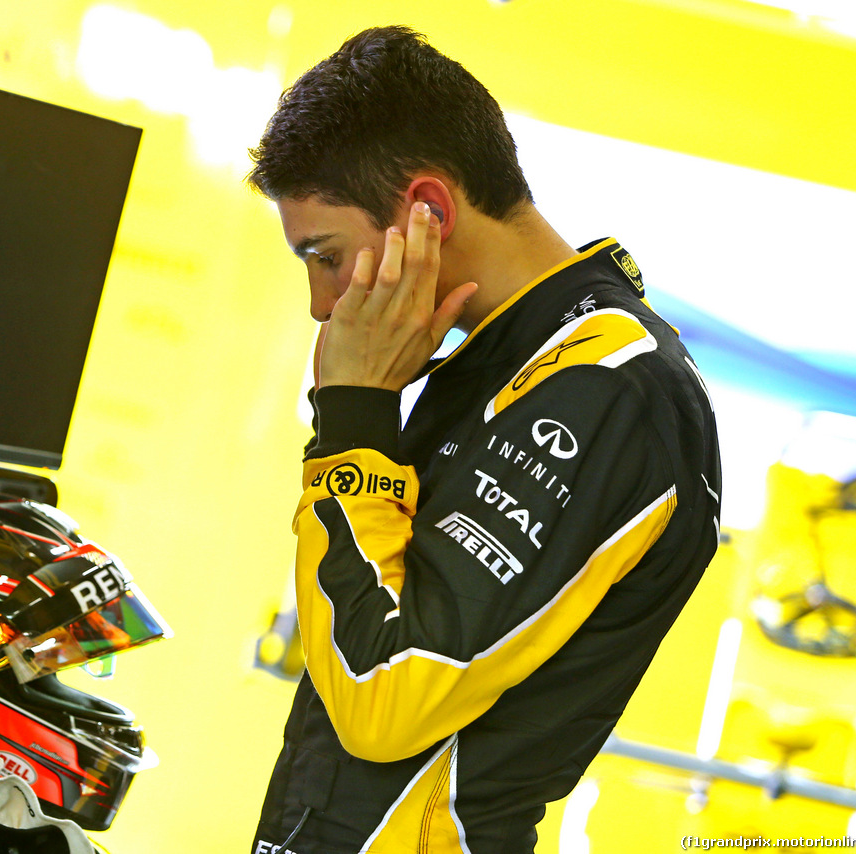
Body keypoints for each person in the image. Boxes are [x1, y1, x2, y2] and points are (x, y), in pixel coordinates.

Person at [245, 25, 722, 854]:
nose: (323, 304)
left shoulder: (610, 383)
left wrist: (353, 419)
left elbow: (382, 695)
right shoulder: (498, 361)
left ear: (428, 208)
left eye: (325, 256)